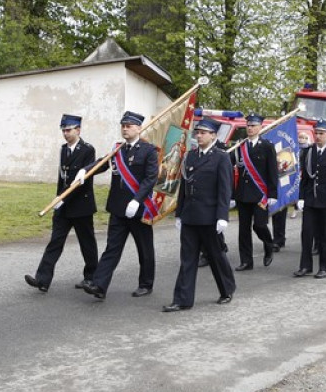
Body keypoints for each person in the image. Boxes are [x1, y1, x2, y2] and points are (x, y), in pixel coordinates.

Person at [82, 111, 158, 300]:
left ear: (139, 128)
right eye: (123, 126)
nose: (125, 129)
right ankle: (100, 285)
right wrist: (85, 171)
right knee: (112, 248)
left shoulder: (149, 151)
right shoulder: (118, 149)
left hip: (138, 209)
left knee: (145, 248)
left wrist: (137, 200)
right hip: (117, 208)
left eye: (129, 126)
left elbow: (150, 179)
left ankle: (146, 284)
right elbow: (103, 164)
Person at [164, 118, 236, 311]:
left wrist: (222, 216)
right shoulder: (190, 156)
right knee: (187, 259)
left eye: (204, 132)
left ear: (213, 135)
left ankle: (227, 289)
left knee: (215, 255)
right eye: (198, 132)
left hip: (210, 217)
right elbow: (184, 188)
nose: (199, 135)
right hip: (190, 216)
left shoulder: (221, 157)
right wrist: (179, 214)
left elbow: (224, 189)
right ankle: (182, 299)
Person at [25, 114, 98, 293]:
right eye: (63, 130)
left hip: (81, 206)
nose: (65, 134)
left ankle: (91, 278)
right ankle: (42, 279)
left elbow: (83, 183)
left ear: (78, 130)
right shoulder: (63, 149)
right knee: (55, 242)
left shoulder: (88, 150)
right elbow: (62, 178)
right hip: (63, 206)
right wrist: (57, 198)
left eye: (68, 130)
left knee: (87, 244)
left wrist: (63, 198)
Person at [294, 120, 326, 278]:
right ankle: (305, 266)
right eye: (316, 133)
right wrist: (301, 197)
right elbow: (304, 178)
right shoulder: (309, 151)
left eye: (321, 133)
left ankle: (324, 266)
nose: (317, 136)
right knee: (307, 233)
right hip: (311, 199)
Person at [230, 114, 279, 270]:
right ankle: (246, 261)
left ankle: (268, 243)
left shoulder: (267, 146)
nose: (250, 128)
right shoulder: (240, 146)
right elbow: (233, 170)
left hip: (260, 195)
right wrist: (232, 194)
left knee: (259, 225)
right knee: (243, 230)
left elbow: (272, 172)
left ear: (260, 128)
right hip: (243, 194)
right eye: (248, 126)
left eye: (253, 126)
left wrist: (272, 194)